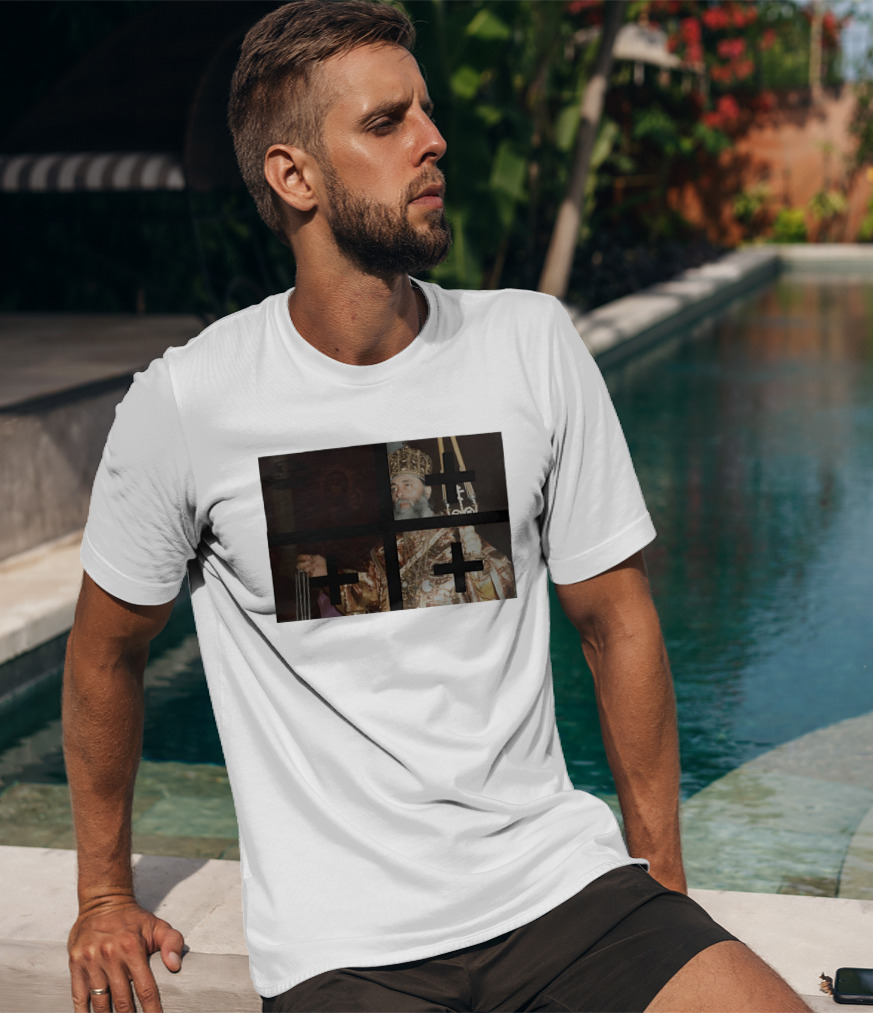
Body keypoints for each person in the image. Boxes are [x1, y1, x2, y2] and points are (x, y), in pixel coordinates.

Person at [63, 2, 811, 1011]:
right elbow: (106, 650)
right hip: (348, 949)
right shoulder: (190, 401)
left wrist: (662, 888)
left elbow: (616, 618)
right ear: (294, 177)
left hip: (564, 892)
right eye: (387, 123)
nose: (433, 139)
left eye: (425, 111)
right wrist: (104, 889)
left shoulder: (530, 345)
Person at [296, 442, 517, 614]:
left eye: (407, 485)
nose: (398, 493)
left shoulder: (457, 534)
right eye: (393, 488)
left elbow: (502, 588)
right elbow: (366, 594)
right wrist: (328, 573)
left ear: (427, 492)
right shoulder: (385, 550)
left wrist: (478, 564)